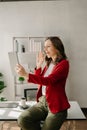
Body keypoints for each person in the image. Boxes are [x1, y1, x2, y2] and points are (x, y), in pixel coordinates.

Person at [15, 36, 70, 130]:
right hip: (43, 102)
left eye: (48, 46)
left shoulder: (64, 64)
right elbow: (40, 81)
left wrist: (26, 74)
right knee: (22, 119)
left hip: (56, 105)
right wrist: (39, 65)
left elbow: (49, 81)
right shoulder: (49, 64)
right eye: (44, 47)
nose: (45, 49)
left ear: (57, 47)